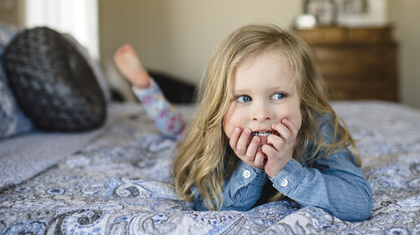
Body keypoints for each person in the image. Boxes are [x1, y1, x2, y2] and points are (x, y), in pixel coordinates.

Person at [114, 24, 372, 222]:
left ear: (302, 99)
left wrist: (286, 170)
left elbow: (359, 203)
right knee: (179, 129)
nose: (261, 114)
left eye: (279, 95)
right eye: (244, 97)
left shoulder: (318, 124)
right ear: (220, 105)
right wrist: (251, 168)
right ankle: (144, 86)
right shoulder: (213, 130)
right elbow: (207, 206)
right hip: (201, 130)